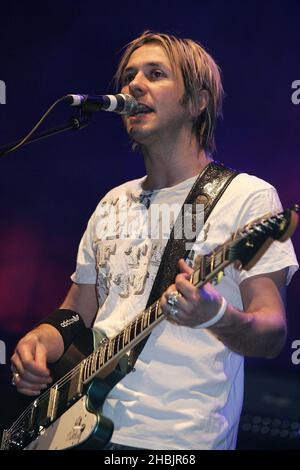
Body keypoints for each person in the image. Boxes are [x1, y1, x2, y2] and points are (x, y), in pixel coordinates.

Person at [10, 31, 298, 450]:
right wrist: (41, 340)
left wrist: (215, 315)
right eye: (129, 76)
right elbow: (76, 314)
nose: (134, 85)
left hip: (175, 439)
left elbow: (272, 334)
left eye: (156, 73)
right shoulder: (113, 202)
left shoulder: (245, 197)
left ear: (198, 102)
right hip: (77, 430)